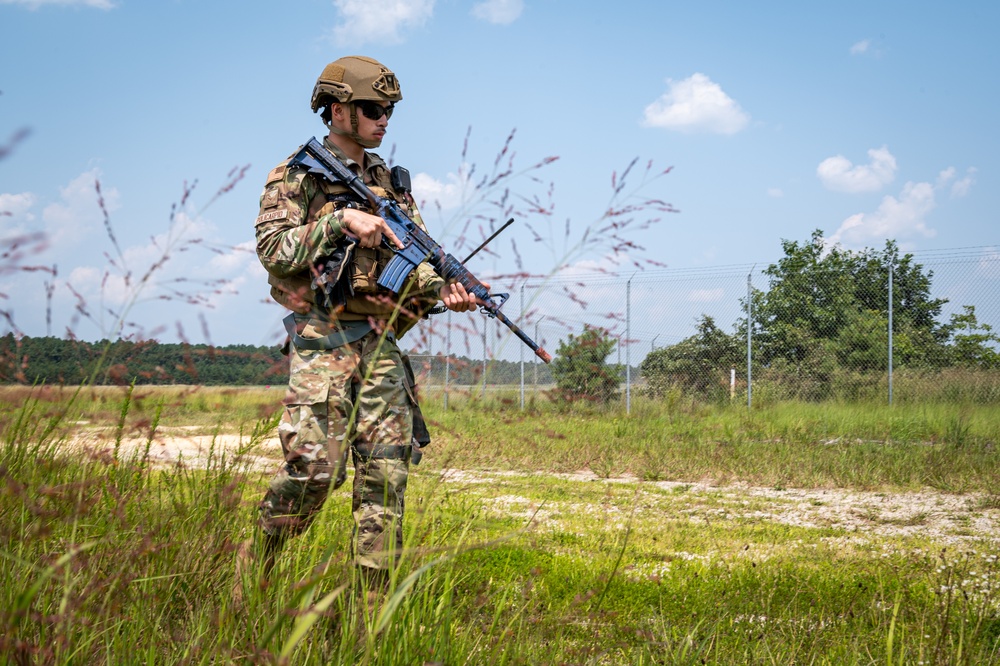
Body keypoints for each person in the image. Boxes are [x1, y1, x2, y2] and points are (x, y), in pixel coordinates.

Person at [240, 55, 483, 594]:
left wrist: (445, 290)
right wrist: (338, 220)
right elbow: (273, 252)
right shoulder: (297, 175)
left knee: (386, 477)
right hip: (324, 342)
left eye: (389, 110)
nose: (384, 119)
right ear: (335, 110)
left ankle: (372, 613)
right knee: (315, 473)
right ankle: (255, 565)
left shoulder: (390, 183)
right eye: (373, 108)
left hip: (382, 346)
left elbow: (412, 265)